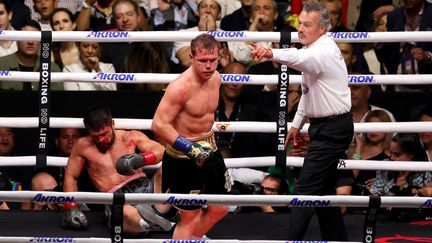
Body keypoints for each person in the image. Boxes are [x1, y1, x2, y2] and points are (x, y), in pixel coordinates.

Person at [251, 2, 353, 240]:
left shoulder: (321, 51)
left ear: (322, 28)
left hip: (333, 129)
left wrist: (270, 53)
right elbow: (308, 91)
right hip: (325, 126)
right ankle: (338, 240)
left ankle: (292, 240)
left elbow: (298, 58)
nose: (301, 30)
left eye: (307, 25)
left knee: (306, 189)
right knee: (322, 191)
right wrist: (296, 124)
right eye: (300, 24)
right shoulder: (313, 48)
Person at [151, 33, 230, 240]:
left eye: (213, 60)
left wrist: (202, 148)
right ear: (191, 58)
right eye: (203, 61)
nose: (209, 66)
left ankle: (192, 239)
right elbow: (158, 124)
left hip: (210, 150)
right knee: (189, 217)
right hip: (182, 158)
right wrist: (190, 148)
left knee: (220, 208)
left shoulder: (217, 79)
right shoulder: (180, 87)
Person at [63, 106, 174, 234]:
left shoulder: (129, 137)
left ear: (113, 124)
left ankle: (154, 220)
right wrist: (71, 208)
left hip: (147, 193)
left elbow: (161, 151)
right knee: (125, 212)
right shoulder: (82, 147)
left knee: (171, 166)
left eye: (104, 134)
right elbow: (71, 176)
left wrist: (140, 159)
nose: (101, 139)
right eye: (95, 136)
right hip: (118, 200)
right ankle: (157, 223)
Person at [0, 20, 63, 91]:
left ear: (40, 41)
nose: (30, 42)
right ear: (17, 39)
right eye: (26, 37)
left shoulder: (52, 68)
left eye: (35, 38)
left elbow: (58, 99)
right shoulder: (1, 65)